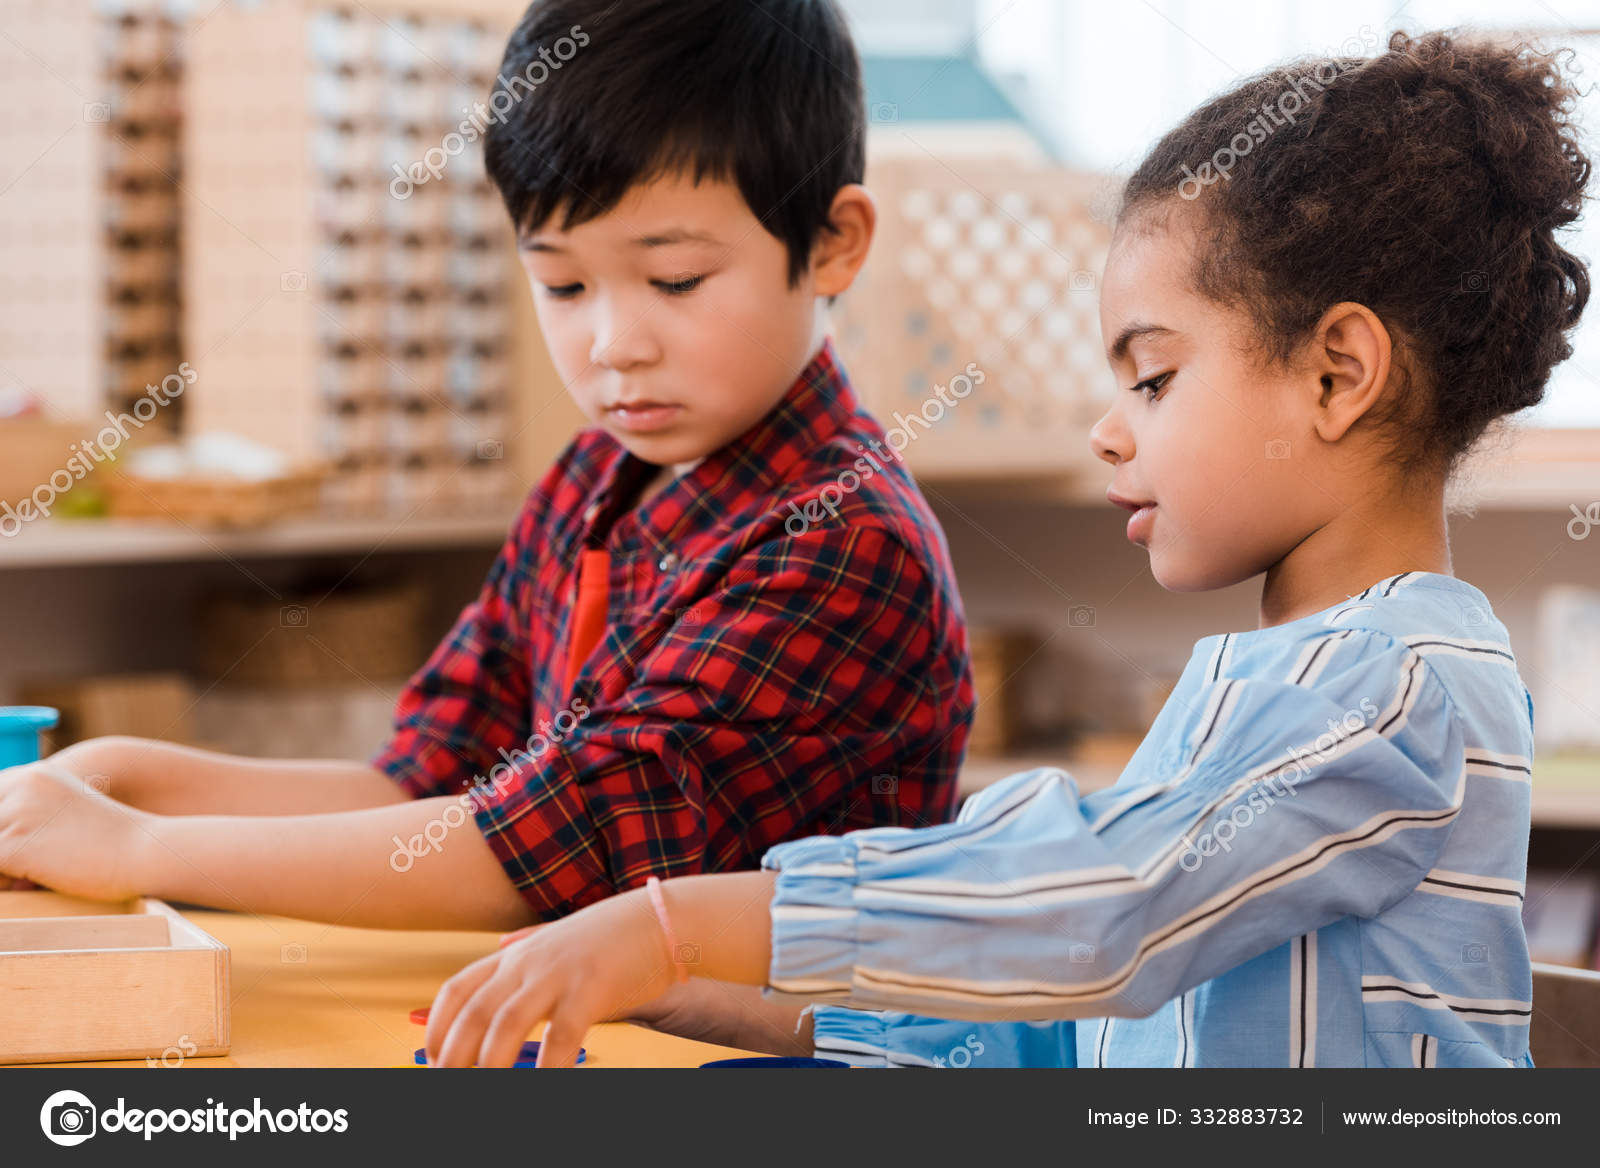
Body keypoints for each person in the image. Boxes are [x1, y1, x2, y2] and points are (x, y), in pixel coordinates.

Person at [422, 30, 1585, 1068]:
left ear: (1337, 373)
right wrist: (722, 999)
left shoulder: (1397, 686)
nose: (1109, 424)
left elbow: (1099, 907)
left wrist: (666, 924)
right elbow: (1082, 1025)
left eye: (1154, 376)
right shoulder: (1290, 680)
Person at [0, 0, 974, 937]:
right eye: (562, 282)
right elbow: (429, 786)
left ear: (833, 243)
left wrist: (145, 847)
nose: (612, 342)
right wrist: (130, 775)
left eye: (674, 278)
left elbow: (536, 847)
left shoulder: (843, 540)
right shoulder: (593, 478)